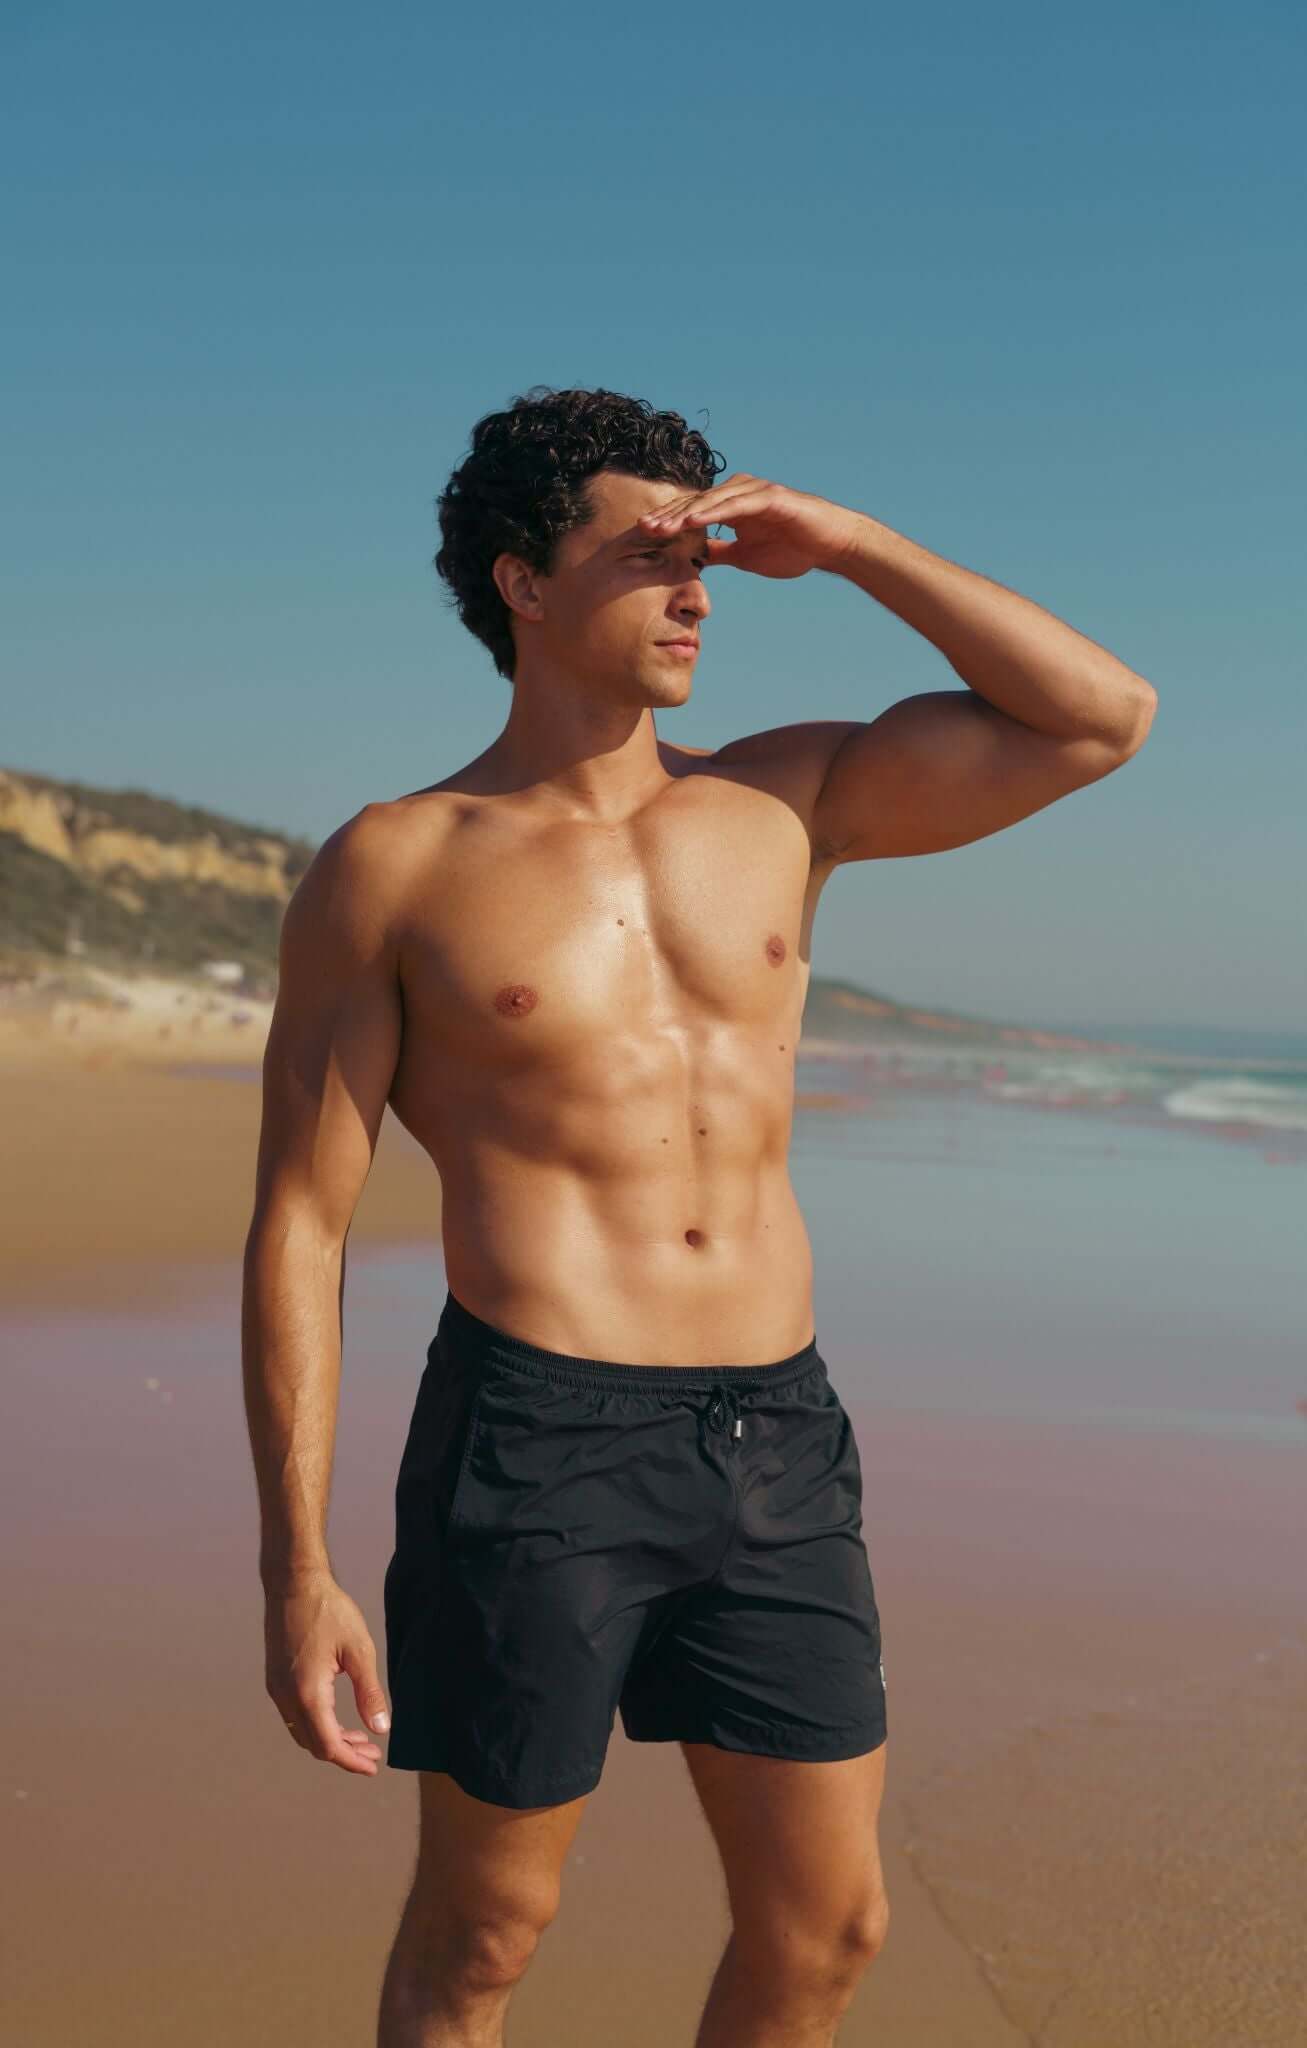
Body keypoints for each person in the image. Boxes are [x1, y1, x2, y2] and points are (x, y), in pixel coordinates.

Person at [241, 384, 1156, 2047]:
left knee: (828, 1929)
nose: (701, 592)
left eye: (712, 552)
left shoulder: (786, 802)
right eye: (653, 553)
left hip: (779, 1436)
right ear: (524, 584)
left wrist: (857, 542)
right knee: (487, 1936)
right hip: (536, 1435)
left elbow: (1101, 717)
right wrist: (296, 1569)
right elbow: (302, 1223)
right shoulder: (400, 863)